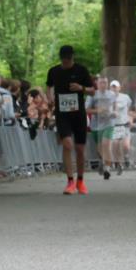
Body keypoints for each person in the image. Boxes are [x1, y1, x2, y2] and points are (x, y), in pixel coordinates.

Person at [46, 45, 94, 194]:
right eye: (64, 59)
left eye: (69, 59)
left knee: (80, 149)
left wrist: (81, 88)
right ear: (61, 58)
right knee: (67, 145)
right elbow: (48, 86)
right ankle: (70, 182)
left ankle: (80, 181)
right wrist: (49, 98)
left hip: (78, 113)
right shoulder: (54, 71)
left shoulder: (81, 70)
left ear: (73, 57)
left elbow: (93, 90)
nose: (66, 62)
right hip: (62, 114)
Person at [85, 76, 116, 180]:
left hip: (109, 123)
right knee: (100, 149)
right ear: (97, 83)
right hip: (96, 125)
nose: (104, 84)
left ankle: (107, 169)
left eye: (105, 83)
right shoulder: (92, 95)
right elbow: (87, 110)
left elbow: (115, 107)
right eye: (101, 82)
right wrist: (98, 111)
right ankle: (104, 162)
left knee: (106, 145)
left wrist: (115, 112)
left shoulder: (112, 94)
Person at [109, 80, 132, 175]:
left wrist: (130, 118)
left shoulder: (125, 97)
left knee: (126, 146)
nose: (114, 88)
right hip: (114, 126)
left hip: (124, 125)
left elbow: (129, 109)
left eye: (116, 87)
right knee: (115, 146)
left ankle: (125, 156)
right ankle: (120, 164)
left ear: (119, 88)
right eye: (112, 87)